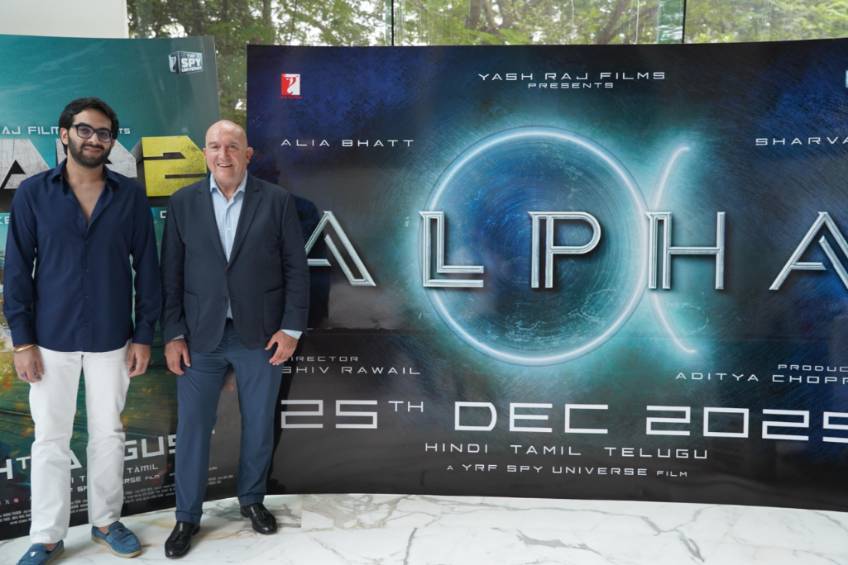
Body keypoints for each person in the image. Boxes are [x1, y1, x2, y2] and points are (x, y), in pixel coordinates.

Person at [5, 97, 161, 564]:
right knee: (50, 438)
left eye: (104, 133)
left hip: (113, 338)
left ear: (112, 142)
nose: (94, 139)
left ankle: (107, 522)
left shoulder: (129, 196)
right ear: (65, 134)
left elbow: (147, 270)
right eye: (85, 130)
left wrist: (144, 334)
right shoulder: (33, 194)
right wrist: (22, 341)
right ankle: (47, 535)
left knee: (108, 433)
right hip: (48, 340)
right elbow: (17, 272)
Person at [160, 120, 309, 558]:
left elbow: (296, 269)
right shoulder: (183, 202)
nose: (222, 154)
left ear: (248, 154)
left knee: (259, 423)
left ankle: (252, 500)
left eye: (231, 146)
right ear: (204, 153)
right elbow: (171, 276)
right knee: (192, 429)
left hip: (260, 336)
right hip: (198, 337)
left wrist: (291, 328)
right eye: (214, 146)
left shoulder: (277, 201)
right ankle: (187, 517)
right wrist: (172, 333)